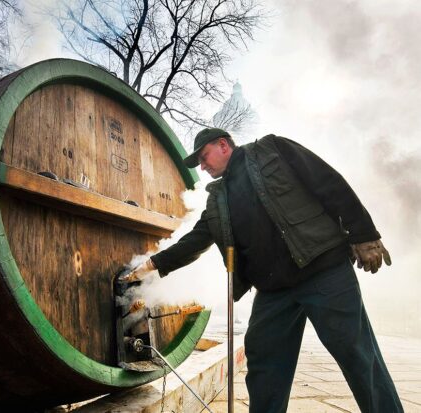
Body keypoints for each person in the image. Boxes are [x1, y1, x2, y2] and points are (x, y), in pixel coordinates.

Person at [122, 128, 403, 413]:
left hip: (324, 270)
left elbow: (327, 182)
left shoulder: (273, 149)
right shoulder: (218, 198)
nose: (203, 166)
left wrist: (364, 233)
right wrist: (150, 265)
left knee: (357, 355)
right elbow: (196, 240)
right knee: (264, 364)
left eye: (204, 157)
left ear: (223, 145)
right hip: (274, 292)